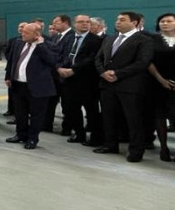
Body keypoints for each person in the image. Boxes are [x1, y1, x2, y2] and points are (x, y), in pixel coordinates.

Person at [94, 11, 154, 161]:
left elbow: (142, 62)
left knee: (133, 119)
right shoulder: (110, 38)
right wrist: (102, 73)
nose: (118, 22)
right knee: (109, 117)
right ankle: (110, 144)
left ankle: (136, 150)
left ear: (134, 23)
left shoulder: (144, 40)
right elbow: (98, 58)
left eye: (122, 20)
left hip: (130, 86)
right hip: (107, 84)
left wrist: (118, 73)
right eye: (117, 19)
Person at [5, 23, 57, 149]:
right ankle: (20, 134)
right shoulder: (18, 43)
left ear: (37, 34)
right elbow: (12, 60)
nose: (22, 34)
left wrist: (40, 45)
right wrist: (8, 76)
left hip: (37, 86)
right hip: (18, 84)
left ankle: (33, 139)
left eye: (26, 33)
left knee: (36, 115)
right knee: (20, 113)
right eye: (22, 31)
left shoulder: (48, 45)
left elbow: (52, 61)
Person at [148, 13, 175, 162]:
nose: (165, 23)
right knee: (159, 115)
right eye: (162, 21)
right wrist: (161, 80)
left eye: (169, 21)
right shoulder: (152, 39)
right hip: (158, 82)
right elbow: (148, 61)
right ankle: (164, 147)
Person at [57, 14, 104, 146]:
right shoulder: (69, 38)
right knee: (71, 109)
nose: (85, 24)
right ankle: (79, 134)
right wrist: (59, 68)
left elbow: (92, 59)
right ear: (74, 24)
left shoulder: (96, 40)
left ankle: (95, 138)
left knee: (92, 111)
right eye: (81, 22)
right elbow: (59, 54)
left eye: (87, 22)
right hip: (68, 81)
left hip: (87, 82)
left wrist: (73, 70)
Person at [44, 15, 74, 134]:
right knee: (50, 102)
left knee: (67, 104)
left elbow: (67, 55)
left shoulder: (72, 36)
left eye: (56, 22)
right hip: (53, 76)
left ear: (65, 22)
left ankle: (67, 128)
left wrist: (58, 67)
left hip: (64, 75)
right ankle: (46, 124)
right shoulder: (55, 36)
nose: (54, 24)